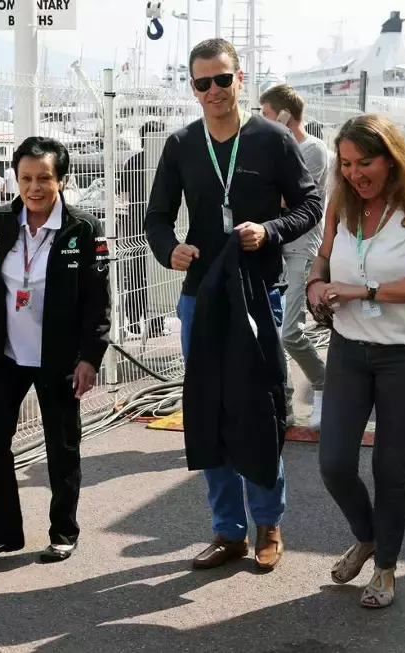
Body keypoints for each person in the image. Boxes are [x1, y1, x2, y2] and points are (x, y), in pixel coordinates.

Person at [145, 38, 323, 572]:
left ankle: (268, 524)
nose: (214, 91)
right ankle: (228, 531)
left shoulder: (271, 139)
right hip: (201, 298)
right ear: (193, 89)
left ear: (240, 79)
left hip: (258, 295)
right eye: (203, 83)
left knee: (260, 413)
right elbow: (155, 217)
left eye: (223, 79)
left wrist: (269, 230)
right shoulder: (180, 145)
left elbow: (312, 203)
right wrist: (167, 249)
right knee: (208, 413)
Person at [307, 113, 405, 609]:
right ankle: (366, 536)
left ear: (391, 158)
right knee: (334, 463)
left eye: (365, 162)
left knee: (390, 467)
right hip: (348, 347)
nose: (354, 173)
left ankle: (385, 566)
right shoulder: (339, 204)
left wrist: (363, 288)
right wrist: (316, 284)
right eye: (345, 163)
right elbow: (321, 259)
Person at [0, 136, 110, 565]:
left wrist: (90, 356)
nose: (34, 187)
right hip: (5, 354)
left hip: (59, 357)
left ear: (62, 180)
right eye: (26, 178)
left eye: (45, 178)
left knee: (61, 445)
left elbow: (97, 300)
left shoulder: (82, 229)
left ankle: (63, 531)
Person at [260, 84, 330, 429]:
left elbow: (291, 200)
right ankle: (282, 402)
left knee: (289, 332)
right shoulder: (276, 150)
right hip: (273, 250)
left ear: (285, 115)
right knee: (270, 334)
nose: (263, 122)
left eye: (268, 115)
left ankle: (323, 384)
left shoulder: (313, 150)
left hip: (302, 249)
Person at [119, 120, 168, 338]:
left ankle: (132, 321)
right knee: (158, 274)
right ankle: (156, 324)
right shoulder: (163, 162)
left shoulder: (132, 162)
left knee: (136, 273)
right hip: (159, 223)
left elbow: (124, 197)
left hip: (135, 225)